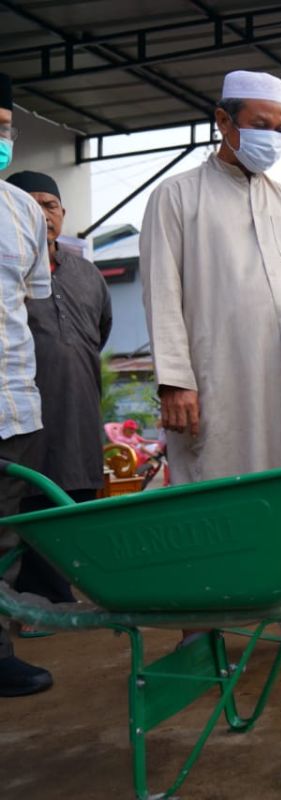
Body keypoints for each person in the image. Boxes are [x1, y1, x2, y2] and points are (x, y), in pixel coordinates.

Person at [139, 69, 281, 484]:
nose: (272, 138)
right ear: (223, 121)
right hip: (220, 382)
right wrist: (175, 382)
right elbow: (161, 294)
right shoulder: (176, 197)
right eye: (261, 125)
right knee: (221, 489)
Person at [6, 170, 112, 607]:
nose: (42, 214)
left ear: (62, 214)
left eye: (49, 205)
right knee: (27, 502)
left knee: (74, 497)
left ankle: (60, 595)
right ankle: (31, 599)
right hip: (24, 415)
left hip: (80, 409)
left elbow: (101, 332)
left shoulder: (89, 275)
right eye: (30, 204)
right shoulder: (8, 275)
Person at [0, 72, 55, 696]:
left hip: (14, 406)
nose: (1, 138)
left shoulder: (20, 210)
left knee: (4, 538)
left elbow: (31, 305)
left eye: (5, 128)